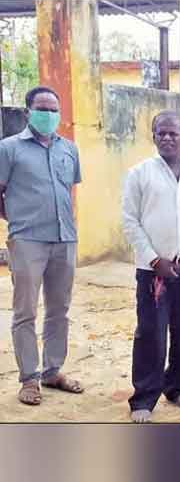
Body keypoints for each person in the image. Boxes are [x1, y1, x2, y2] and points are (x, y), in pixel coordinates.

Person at [121, 110, 180, 423]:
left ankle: (176, 386)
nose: (166, 138)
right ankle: (144, 399)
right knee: (151, 332)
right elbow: (130, 220)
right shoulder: (139, 174)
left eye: (173, 133)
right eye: (161, 133)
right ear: (154, 137)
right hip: (154, 271)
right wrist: (153, 259)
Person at [0, 86, 84, 406]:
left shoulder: (69, 149)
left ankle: (52, 371)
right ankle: (28, 378)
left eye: (53, 109)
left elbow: (69, 191)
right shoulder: (8, 149)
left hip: (65, 238)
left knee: (59, 309)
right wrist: (17, 221)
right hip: (26, 239)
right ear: (28, 112)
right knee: (25, 312)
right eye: (42, 109)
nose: (48, 115)